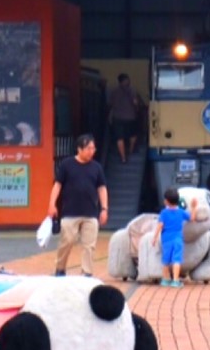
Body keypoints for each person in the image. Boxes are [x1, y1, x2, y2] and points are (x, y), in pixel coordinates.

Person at [49, 133, 109, 277]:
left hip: (91, 213)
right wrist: (52, 204)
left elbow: (102, 188)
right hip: (70, 212)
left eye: (93, 148)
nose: (92, 151)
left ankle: (87, 272)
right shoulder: (67, 164)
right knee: (67, 242)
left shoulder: (97, 167)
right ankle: (60, 269)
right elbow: (57, 185)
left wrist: (104, 209)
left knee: (89, 245)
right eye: (89, 148)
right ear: (79, 149)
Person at [150, 187, 193, 287]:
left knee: (165, 260)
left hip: (166, 240)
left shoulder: (164, 213)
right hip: (178, 239)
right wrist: (194, 207)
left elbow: (160, 225)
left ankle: (165, 280)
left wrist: (155, 237)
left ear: (166, 201)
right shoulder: (181, 212)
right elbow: (192, 218)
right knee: (176, 259)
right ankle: (175, 280)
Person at [107, 73, 144, 163]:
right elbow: (135, 102)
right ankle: (130, 151)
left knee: (119, 138)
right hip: (131, 117)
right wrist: (137, 109)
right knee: (133, 135)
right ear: (127, 80)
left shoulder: (114, 91)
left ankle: (123, 157)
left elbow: (110, 104)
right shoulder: (132, 90)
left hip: (117, 117)